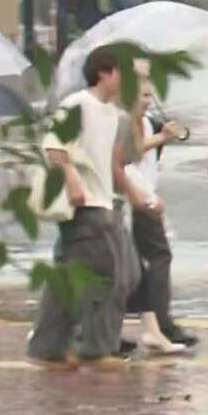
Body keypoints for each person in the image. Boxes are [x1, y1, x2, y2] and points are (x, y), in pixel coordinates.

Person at [26, 48, 152, 369]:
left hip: (102, 202)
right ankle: (96, 348)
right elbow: (54, 146)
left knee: (73, 279)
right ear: (104, 73)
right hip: (85, 205)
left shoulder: (111, 113)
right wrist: (71, 181)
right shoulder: (78, 105)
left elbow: (117, 161)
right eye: (120, 72)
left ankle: (48, 347)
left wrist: (132, 191)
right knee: (107, 275)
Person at [123, 77, 196, 350]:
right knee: (157, 256)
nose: (147, 100)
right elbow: (127, 153)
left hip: (143, 197)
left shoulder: (146, 122)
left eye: (149, 95)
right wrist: (161, 137)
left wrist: (167, 134)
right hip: (136, 199)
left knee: (138, 263)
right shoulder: (121, 122)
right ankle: (159, 324)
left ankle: (154, 326)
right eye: (142, 95)